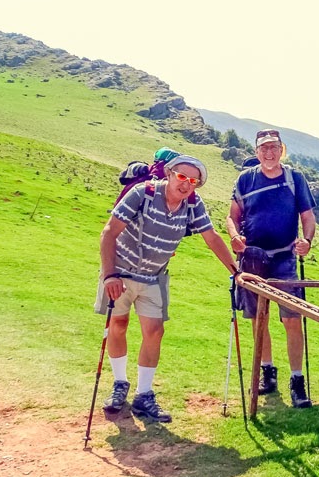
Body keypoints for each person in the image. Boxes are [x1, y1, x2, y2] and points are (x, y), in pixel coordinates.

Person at [97, 154, 238, 423]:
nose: (186, 184)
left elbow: (212, 238)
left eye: (193, 181)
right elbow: (108, 233)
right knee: (118, 325)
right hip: (120, 273)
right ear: (169, 174)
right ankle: (119, 385)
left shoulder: (193, 205)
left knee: (155, 331)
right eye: (182, 177)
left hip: (154, 277)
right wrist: (109, 275)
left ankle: (144, 395)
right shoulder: (142, 194)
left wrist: (237, 273)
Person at [226, 129, 317, 409]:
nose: (269, 153)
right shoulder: (245, 179)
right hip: (253, 259)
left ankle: (297, 381)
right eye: (263, 148)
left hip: (285, 258)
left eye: (274, 147)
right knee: (258, 319)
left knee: (291, 319)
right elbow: (232, 216)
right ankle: (267, 373)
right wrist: (234, 236)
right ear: (256, 152)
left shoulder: (295, 178)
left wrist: (307, 240)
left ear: (282, 150)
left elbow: (308, 216)